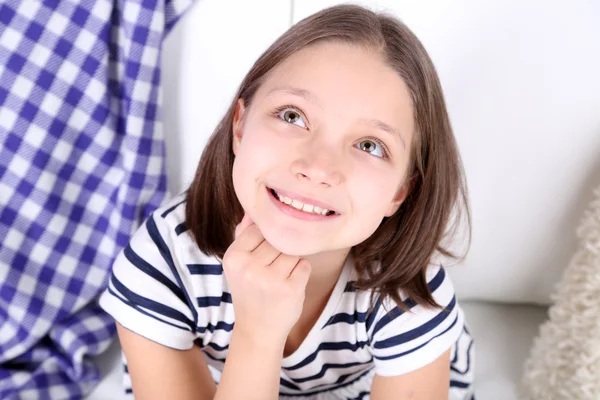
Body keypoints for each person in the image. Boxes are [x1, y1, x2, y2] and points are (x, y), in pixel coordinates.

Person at [99, 4, 475, 399]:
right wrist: (258, 333)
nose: (317, 168)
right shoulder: (160, 266)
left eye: (369, 145)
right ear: (240, 126)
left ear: (400, 191)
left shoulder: (407, 288)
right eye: (293, 116)